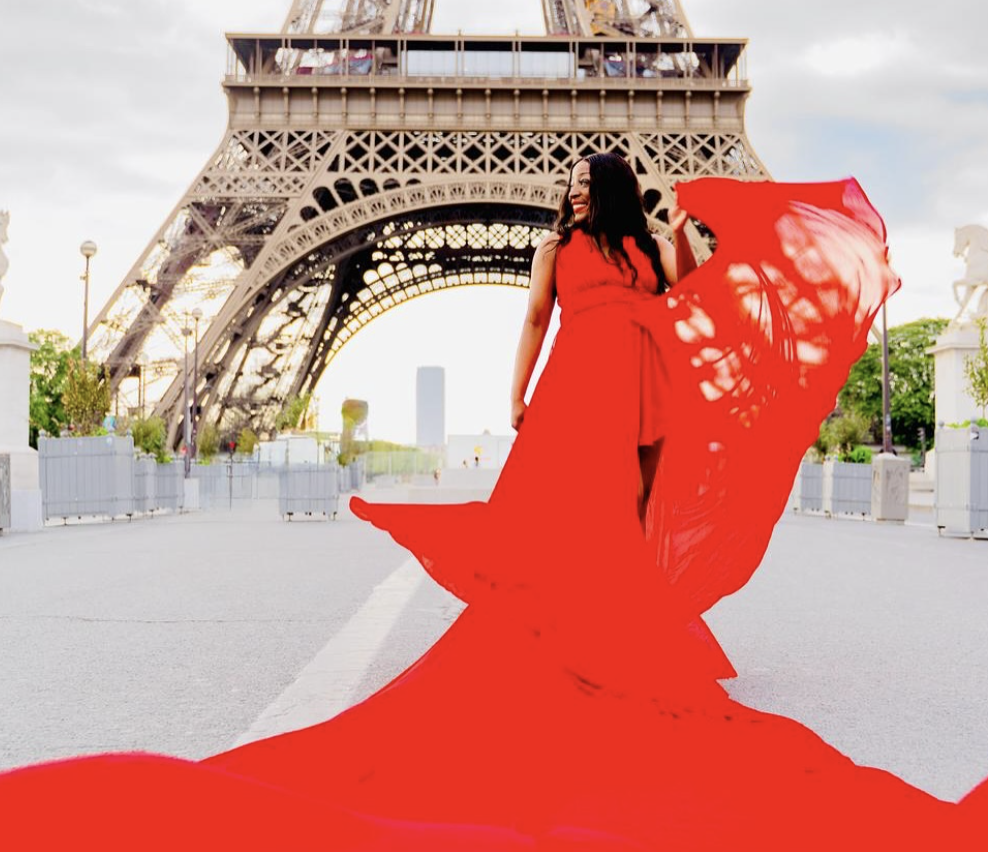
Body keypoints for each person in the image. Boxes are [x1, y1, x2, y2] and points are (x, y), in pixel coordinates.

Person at [3, 156, 988, 849]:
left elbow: (689, 296)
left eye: (581, 183)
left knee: (627, 518)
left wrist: (689, 235)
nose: (569, 191)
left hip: (642, 387)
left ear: (608, 189)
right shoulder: (559, 250)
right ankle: (577, 635)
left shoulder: (648, 248)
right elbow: (532, 321)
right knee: (564, 509)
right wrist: (517, 392)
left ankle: (618, 628)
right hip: (580, 385)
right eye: (568, 185)